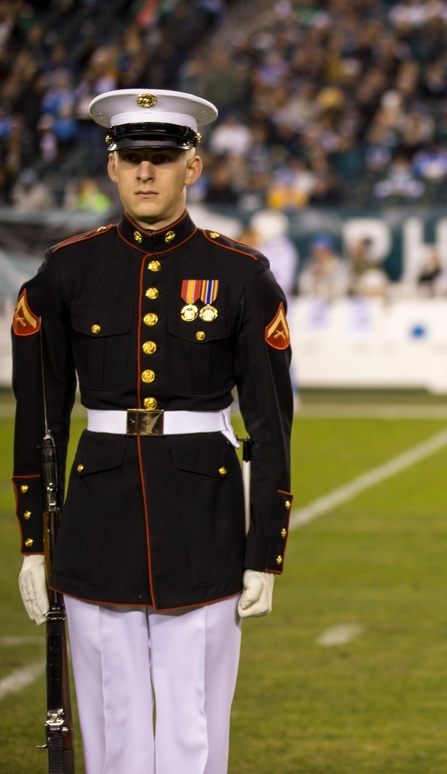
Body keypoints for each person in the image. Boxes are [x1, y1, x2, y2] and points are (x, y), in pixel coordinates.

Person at [12, 88, 294, 774]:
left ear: (192, 168)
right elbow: (39, 414)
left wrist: (265, 551)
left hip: (203, 515)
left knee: (193, 720)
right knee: (112, 719)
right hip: (97, 511)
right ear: (111, 168)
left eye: (161, 159)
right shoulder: (66, 272)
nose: (145, 172)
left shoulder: (241, 275)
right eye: (132, 157)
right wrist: (32, 542)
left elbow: (270, 424)